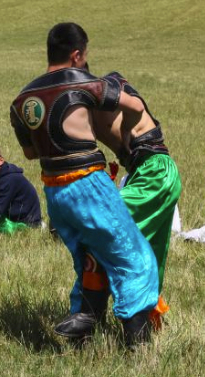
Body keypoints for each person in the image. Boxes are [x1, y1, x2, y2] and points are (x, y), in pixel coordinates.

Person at [10, 22, 158, 348]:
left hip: (54, 192)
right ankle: (138, 348)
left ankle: (83, 329)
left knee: (89, 261)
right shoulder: (84, 82)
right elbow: (135, 106)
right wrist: (126, 135)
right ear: (77, 54)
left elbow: (30, 153)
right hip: (88, 184)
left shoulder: (22, 100)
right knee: (136, 260)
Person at [53, 70, 182, 337]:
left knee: (102, 229)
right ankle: (125, 322)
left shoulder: (106, 89)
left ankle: (89, 315)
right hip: (143, 174)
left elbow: (136, 107)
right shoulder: (80, 111)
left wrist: (124, 131)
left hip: (155, 172)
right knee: (135, 249)